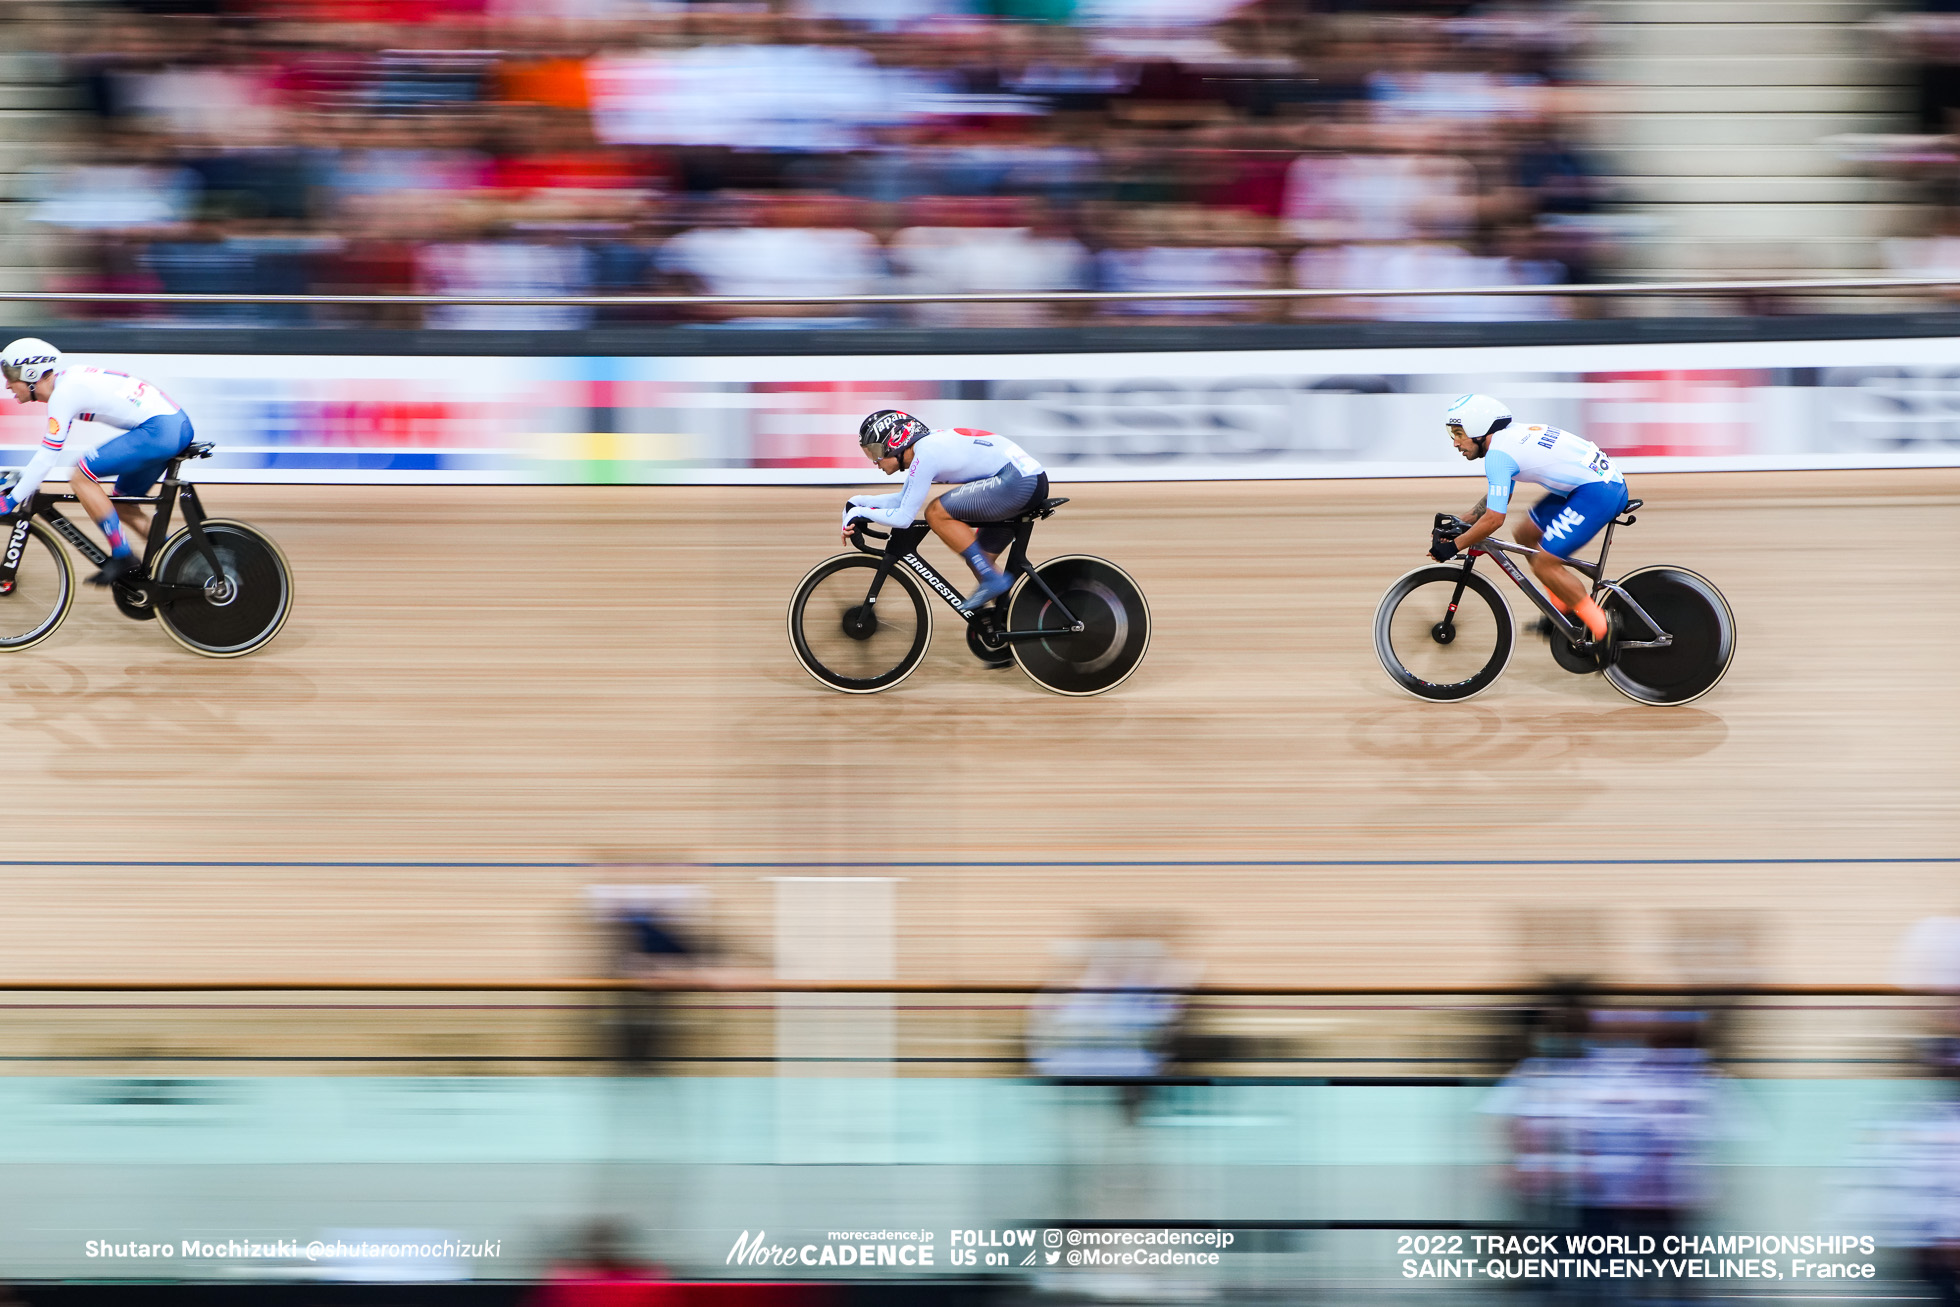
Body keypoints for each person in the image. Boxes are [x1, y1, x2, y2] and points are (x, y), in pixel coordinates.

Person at [1433, 392, 1627, 644]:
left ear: (1478, 429)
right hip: (1589, 484)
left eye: (1459, 434)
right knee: (1525, 534)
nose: (1455, 443)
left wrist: (1453, 547)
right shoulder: (1509, 438)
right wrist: (1461, 522)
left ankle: (1604, 628)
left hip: (1599, 491)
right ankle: (1562, 609)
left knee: (1546, 563)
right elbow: (1495, 502)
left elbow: (1493, 520)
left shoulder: (1498, 457)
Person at [0, 337, 196, 587]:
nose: (7, 384)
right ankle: (184, 563)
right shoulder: (67, 384)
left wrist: (12, 499)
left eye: (10, 374)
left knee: (81, 475)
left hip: (160, 430)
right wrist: (21, 482)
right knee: (124, 505)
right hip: (169, 426)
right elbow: (45, 453)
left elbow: (48, 455)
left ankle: (123, 555)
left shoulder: (64, 394)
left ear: (30, 372)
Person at [844, 410, 1047, 613]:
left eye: (876, 452)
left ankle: (993, 580)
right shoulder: (924, 448)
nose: (874, 461)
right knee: (979, 558)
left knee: (935, 512)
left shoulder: (927, 453)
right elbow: (901, 500)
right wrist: (857, 503)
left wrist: (860, 513)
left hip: (1019, 482)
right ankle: (1010, 620)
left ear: (896, 441)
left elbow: (903, 517)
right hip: (1022, 479)